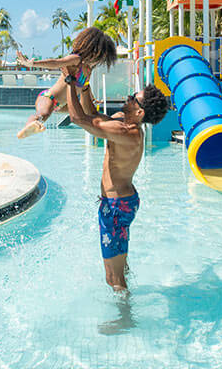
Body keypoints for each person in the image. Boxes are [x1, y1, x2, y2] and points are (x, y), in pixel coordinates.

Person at [62, 65, 169, 290]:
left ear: (140, 112)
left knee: (113, 278)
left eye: (134, 98)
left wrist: (69, 82)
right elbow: (93, 116)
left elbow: (78, 119)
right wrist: (84, 86)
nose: (128, 98)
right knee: (120, 265)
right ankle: (125, 297)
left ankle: (124, 319)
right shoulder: (124, 123)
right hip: (120, 203)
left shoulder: (127, 133)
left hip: (116, 206)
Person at [15, 27, 117, 139]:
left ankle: (113, 127)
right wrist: (33, 64)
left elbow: (86, 85)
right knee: (43, 114)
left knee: (85, 113)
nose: (98, 60)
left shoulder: (88, 69)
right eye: (98, 55)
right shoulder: (76, 59)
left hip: (62, 106)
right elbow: (56, 62)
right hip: (49, 98)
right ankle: (28, 128)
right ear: (90, 49)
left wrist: (92, 98)